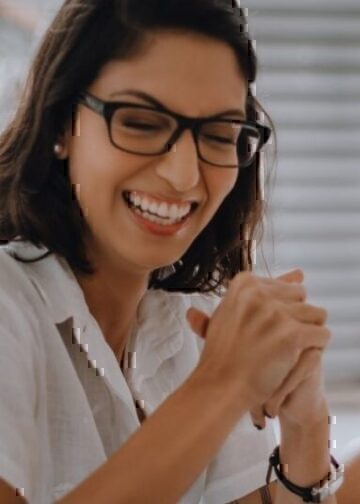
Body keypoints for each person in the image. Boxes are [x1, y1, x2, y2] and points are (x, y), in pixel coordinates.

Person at [0, 1, 344, 503]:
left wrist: (306, 428)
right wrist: (223, 384)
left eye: (220, 134)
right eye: (140, 123)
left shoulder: (198, 326)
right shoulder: (10, 309)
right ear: (59, 126)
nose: (184, 176)